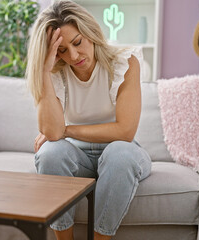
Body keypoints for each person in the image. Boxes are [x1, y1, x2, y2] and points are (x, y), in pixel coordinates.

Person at [26, 1, 151, 239]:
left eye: (77, 42)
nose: (73, 56)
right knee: (50, 153)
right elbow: (52, 133)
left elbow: (124, 132)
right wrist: (43, 71)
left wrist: (67, 130)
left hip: (123, 154)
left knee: (119, 154)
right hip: (79, 157)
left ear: (90, 33)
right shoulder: (55, 71)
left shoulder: (126, 61)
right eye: (61, 50)